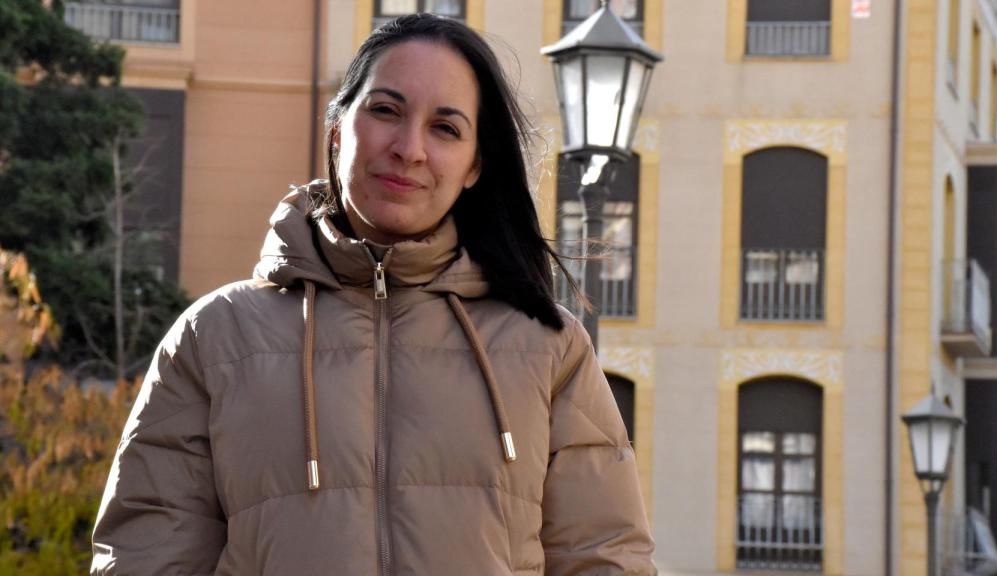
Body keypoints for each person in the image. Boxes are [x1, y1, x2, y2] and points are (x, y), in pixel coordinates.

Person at [91, 13, 655, 575]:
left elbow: (604, 557)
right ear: (338, 130)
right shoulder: (215, 338)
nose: (409, 148)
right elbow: (147, 555)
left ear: (475, 167)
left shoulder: (547, 348)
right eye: (386, 111)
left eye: (446, 128)